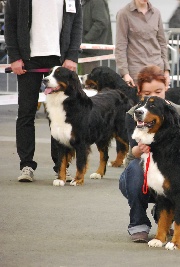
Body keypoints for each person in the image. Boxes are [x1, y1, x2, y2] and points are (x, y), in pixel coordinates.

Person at [119, 65, 180, 242]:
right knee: (135, 169)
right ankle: (138, 224)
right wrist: (140, 149)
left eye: (159, 91)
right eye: (148, 93)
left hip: (173, 168)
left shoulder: (179, 112)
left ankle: (163, 213)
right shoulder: (134, 114)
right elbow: (132, 150)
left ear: (166, 89)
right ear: (140, 93)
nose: (154, 96)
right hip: (142, 168)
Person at [5, 0, 82, 182]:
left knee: (59, 116)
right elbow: (10, 22)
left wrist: (72, 55)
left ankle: (61, 166)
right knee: (26, 112)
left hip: (59, 59)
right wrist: (14, 56)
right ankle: (26, 165)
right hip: (28, 59)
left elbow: (77, 22)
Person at [114, 0, 170, 88]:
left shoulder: (156, 13)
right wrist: (125, 73)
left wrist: (166, 71)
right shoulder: (124, 14)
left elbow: (162, 42)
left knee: (159, 101)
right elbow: (120, 46)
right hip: (136, 71)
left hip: (157, 69)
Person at [79, 0, 113, 75]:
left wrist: (86, 39)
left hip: (95, 54)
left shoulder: (96, 1)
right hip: (88, 52)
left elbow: (101, 22)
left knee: (93, 83)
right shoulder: (84, 2)